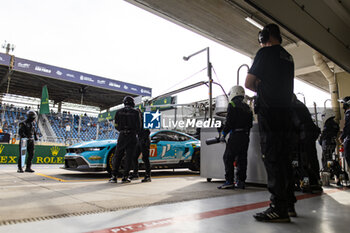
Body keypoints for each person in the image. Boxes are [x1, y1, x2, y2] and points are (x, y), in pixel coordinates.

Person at [245, 23, 296, 222]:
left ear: (264, 36)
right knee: (285, 159)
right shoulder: (288, 57)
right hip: (286, 114)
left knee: (273, 158)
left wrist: (260, 84)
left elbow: (249, 83)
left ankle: (278, 208)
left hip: (270, 113)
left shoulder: (264, 53)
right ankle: (289, 204)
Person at [217, 85, 253, 189]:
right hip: (245, 137)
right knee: (242, 159)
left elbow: (229, 122)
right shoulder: (248, 107)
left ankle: (229, 181)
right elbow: (250, 125)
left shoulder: (232, 104)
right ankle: (241, 181)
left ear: (234, 93)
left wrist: (223, 134)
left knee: (228, 157)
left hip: (235, 136)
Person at [291, 96, 322, 193]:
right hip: (311, 132)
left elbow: (291, 123)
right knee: (312, 157)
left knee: (302, 159)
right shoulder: (300, 104)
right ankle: (315, 181)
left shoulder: (291, 105)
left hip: (303, 134)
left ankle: (305, 182)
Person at [109, 96, 141, 183]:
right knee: (129, 157)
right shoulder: (135, 112)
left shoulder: (118, 112)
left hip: (122, 135)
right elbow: (138, 126)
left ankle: (114, 176)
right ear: (132, 103)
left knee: (118, 155)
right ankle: (125, 177)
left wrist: (122, 130)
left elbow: (116, 125)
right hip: (132, 136)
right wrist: (133, 132)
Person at [130, 109, 152, 182]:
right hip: (139, 139)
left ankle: (148, 176)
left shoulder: (144, 120)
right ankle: (135, 174)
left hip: (145, 140)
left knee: (145, 158)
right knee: (134, 157)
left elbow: (148, 131)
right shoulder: (136, 121)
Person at [339, 97, 350, 172]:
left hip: (349, 139)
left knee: (348, 156)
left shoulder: (348, 113)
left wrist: (342, 137)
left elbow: (347, 127)